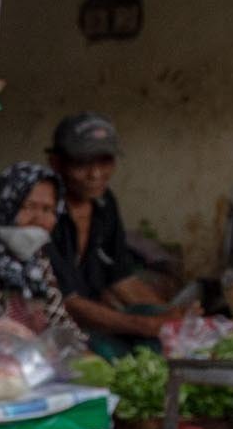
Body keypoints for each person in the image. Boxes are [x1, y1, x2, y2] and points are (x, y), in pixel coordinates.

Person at [46, 115, 183, 344]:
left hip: (89, 322)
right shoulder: (45, 211)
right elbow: (66, 300)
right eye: (82, 163)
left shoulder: (104, 203)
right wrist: (145, 326)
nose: (95, 174)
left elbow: (121, 279)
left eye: (105, 161)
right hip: (48, 331)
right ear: (56, 163)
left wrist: (172, 317)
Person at [0, 158, 66, 336]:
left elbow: (60, 321)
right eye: (29, 206)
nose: (38, 218)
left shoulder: (38, 260)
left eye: (48, 209)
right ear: (5, 206)